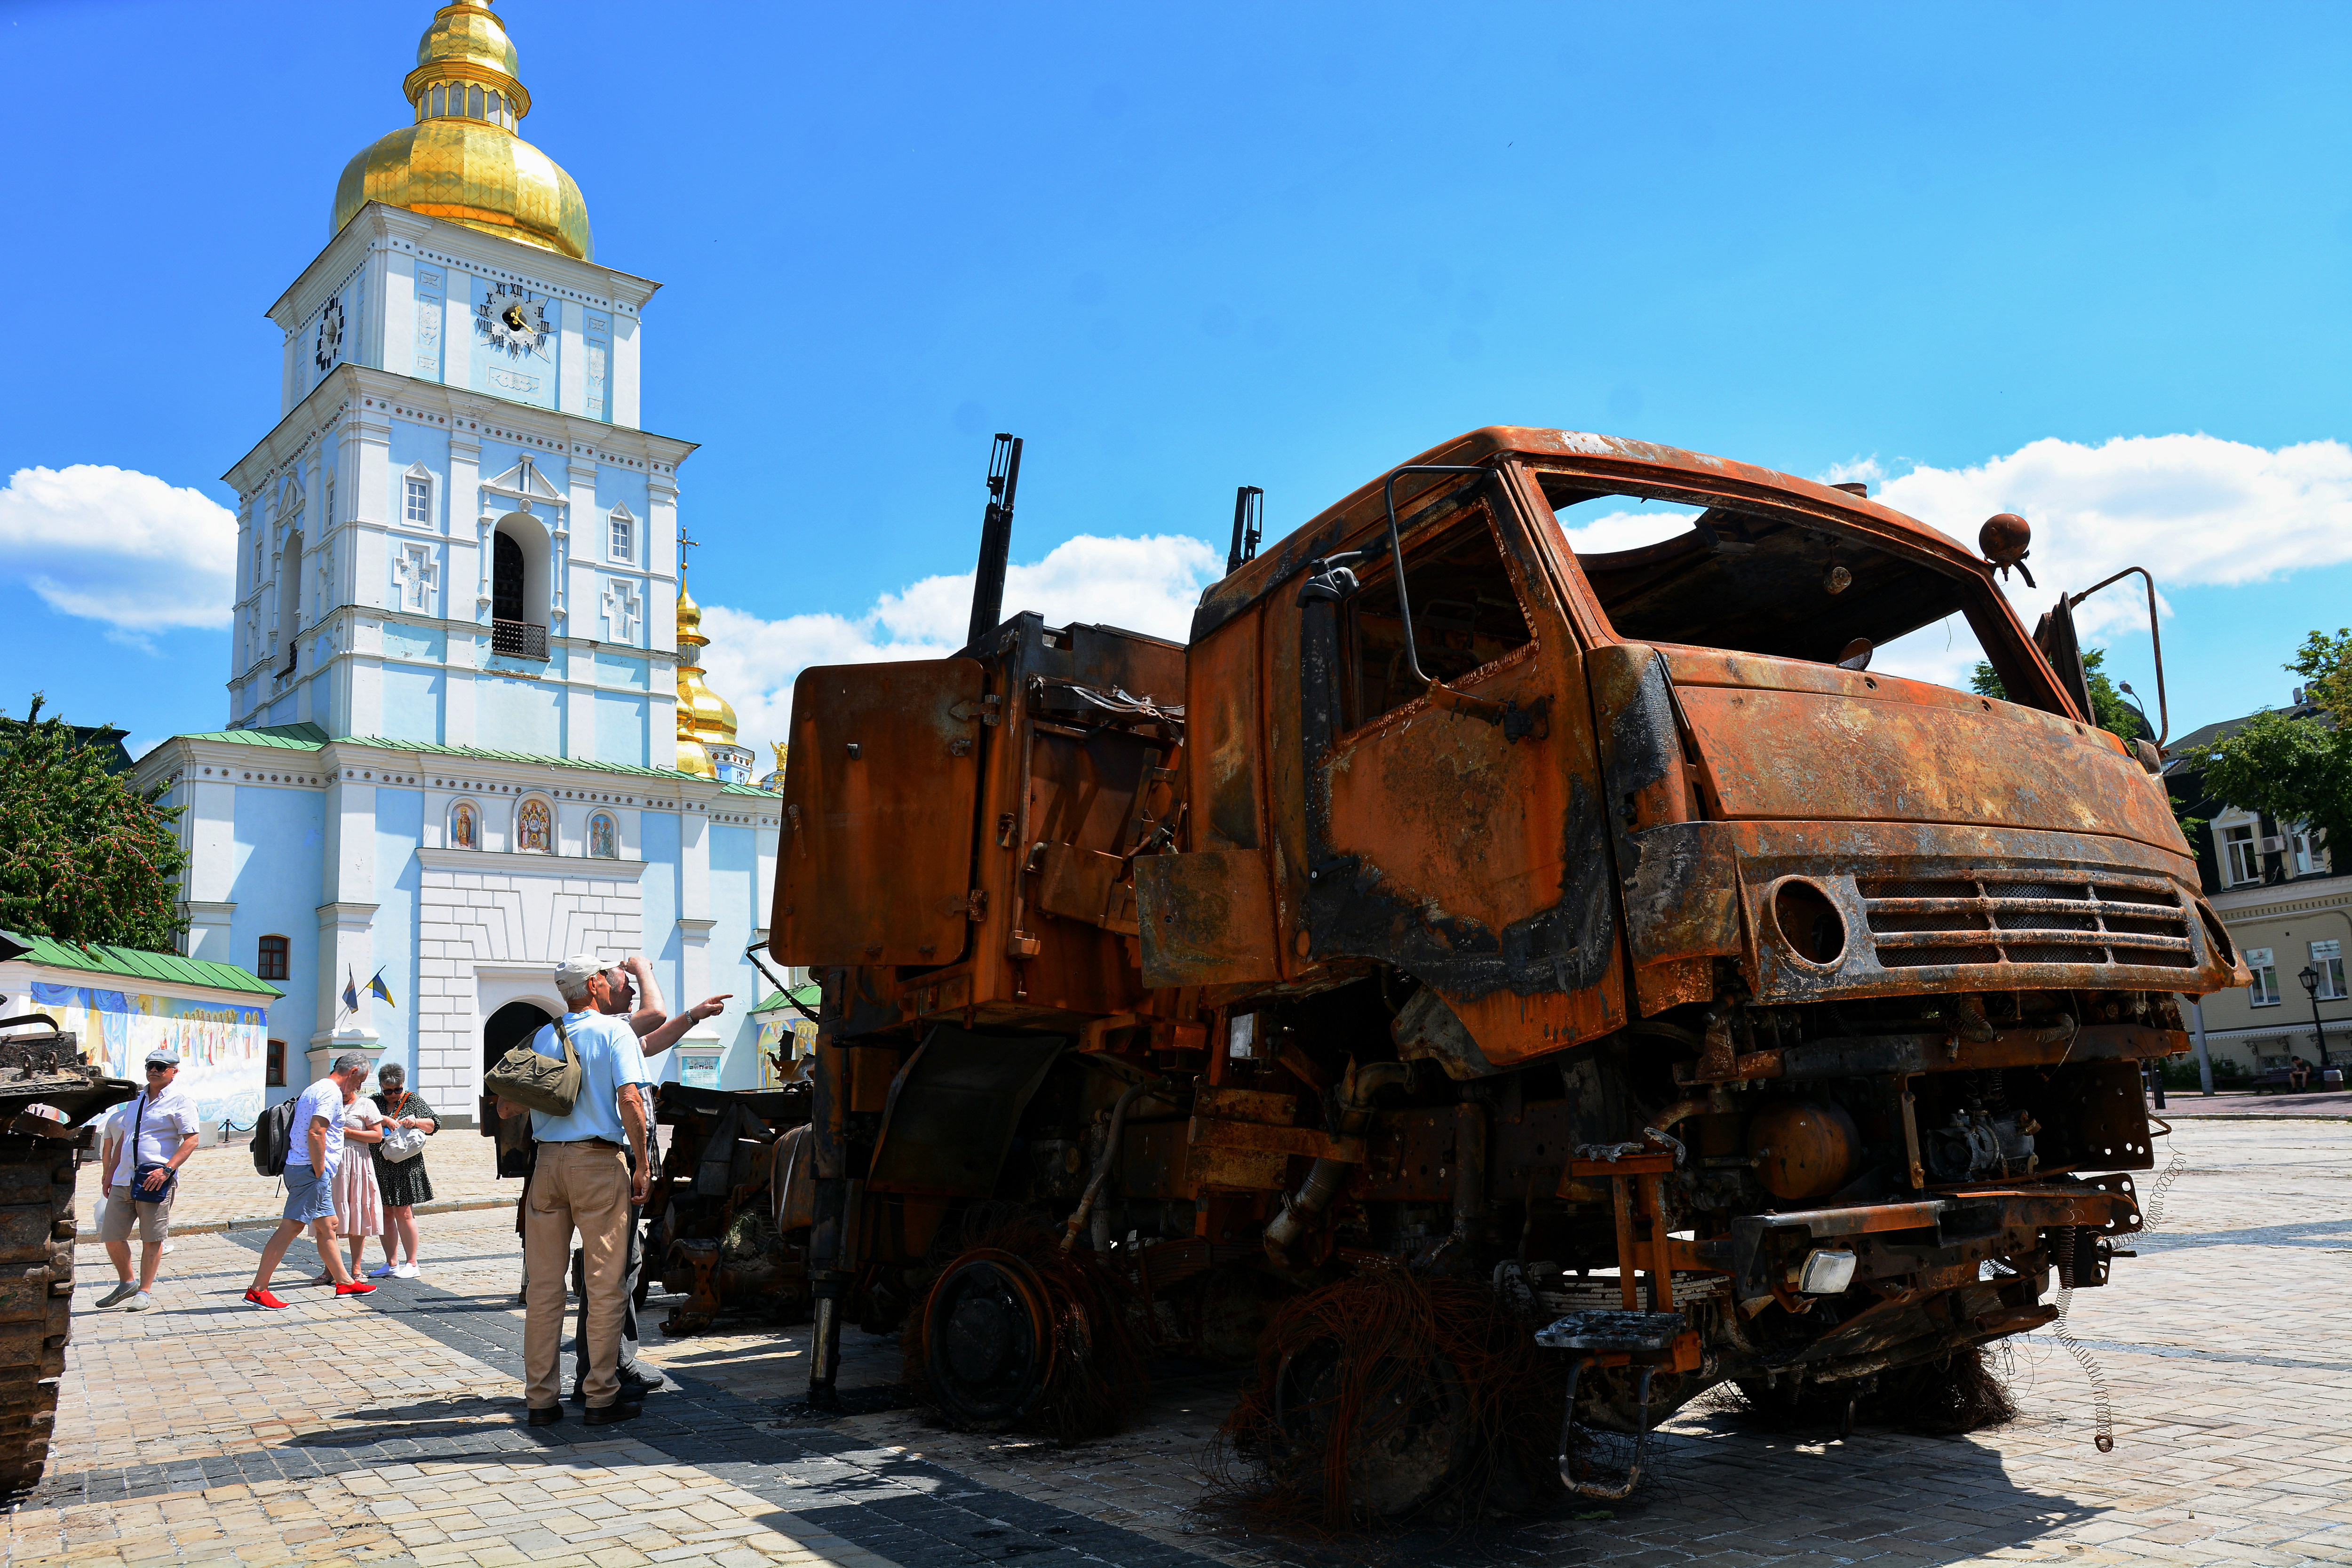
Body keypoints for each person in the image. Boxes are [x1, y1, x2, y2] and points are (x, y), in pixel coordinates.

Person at [569, 961, 729, 1403]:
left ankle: (607, 1365)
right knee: (615, 1268)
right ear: (602, 991)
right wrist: (643, 967)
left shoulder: (609, 1032)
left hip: (598, 1161)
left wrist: (695, 1016)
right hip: (615, 1161)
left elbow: (655, 1039)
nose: (635, 995)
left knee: (622, 1265)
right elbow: (655, 1015)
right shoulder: (609, 1026)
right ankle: (606, 1372)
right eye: (627, 989)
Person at [244, 1054, 378, 1308]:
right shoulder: (330, 1093)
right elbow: (317, 1131)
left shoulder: (316, 1087)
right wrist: (320, 1171)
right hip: (310, 1171)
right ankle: (258, 1290)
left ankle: (344, 1282)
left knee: (328, 1226)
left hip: (307, 1169)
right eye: (360, 1080)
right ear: (352, 1071)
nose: (359, 1087)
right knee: (291, 1228)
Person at [96, 1050, 199, 1311]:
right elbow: (124, 1138)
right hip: (124, 1178)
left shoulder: (180, 1100)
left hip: (155, 1178)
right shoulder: (136, 1101)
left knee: (152, 1238)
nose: (154, 1070)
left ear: (174, 1071)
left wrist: (167, 1171)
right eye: (151, 1065)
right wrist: (110, 1173)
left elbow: (192, 1140)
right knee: (111, 1234)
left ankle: (144, 1290)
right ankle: (126, 1282)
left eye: (161, 1067)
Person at [368, 1062, 438, 1279]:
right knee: (386, 1213)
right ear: (381, 1087)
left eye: (397, 1089)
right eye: (388, 1091)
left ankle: (412, 1263)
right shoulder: (374, 1102)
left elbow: (434, 1124)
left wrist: (415, 1121)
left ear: (403, 1085)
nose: (392, 1094)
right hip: (380, 1163)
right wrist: (383, 1118)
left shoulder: (413, 1100)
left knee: (404, 1212)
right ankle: (391, 1263)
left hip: (406, 1165)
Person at [329, 1081, 387, 1281]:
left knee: (357, 1213)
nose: (344, 1093)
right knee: (330, 1216)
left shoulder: (366, 1104)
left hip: (358, 1164)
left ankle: (356, 1268)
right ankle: (330, 1269)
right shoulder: (329, 1103)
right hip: (333, 1164)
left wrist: (350, 1133)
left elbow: (377, 1136)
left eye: (347, 1090)